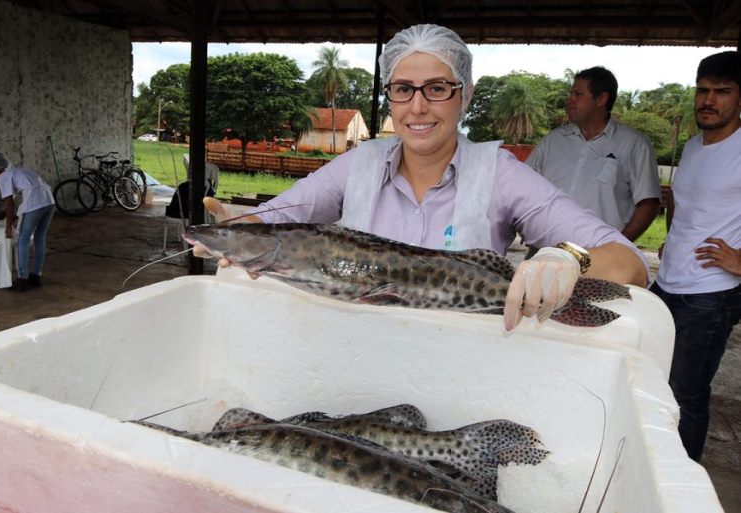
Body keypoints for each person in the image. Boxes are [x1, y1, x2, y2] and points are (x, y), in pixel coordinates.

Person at [195, 24, 648, 331]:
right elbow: (276, 221)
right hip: (351, 355)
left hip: (465, 364)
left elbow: (630, 264)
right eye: (402, 89)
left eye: (437, 88)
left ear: (464, 95)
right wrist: (239, 230)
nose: (418, 106)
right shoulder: (359, 165)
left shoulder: (500, 174)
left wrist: (569, 260)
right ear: (389, 95)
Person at [650, 51, 741, 462]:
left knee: (686, 391)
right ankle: (652, 457)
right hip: (668, 282)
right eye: (703, 90)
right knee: (651, 377)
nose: (709, 100)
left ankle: (678, 480)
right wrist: (674, 239)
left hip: (711, 294)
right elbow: (684, 206)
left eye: (722, 91)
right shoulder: (693, 146)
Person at [526, 66, 661, 242]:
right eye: (570, 94)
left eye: (578, 94)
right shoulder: (553, 141)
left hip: (599, 255)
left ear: (601, 99)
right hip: (546, 249)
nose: (570, 100)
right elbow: (524, 187)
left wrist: (619, 246)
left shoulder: (634, 145)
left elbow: (648, 204)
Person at [0, 152, 56, 292]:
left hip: (34, 203)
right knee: (39, 237)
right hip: (49, 201)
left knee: (22, 239)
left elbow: (10, 203)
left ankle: (22, 279)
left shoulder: (4, 176)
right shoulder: (20, 171)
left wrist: (8, 227)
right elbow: (13, 201)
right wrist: (13, 216)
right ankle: (36, 276)